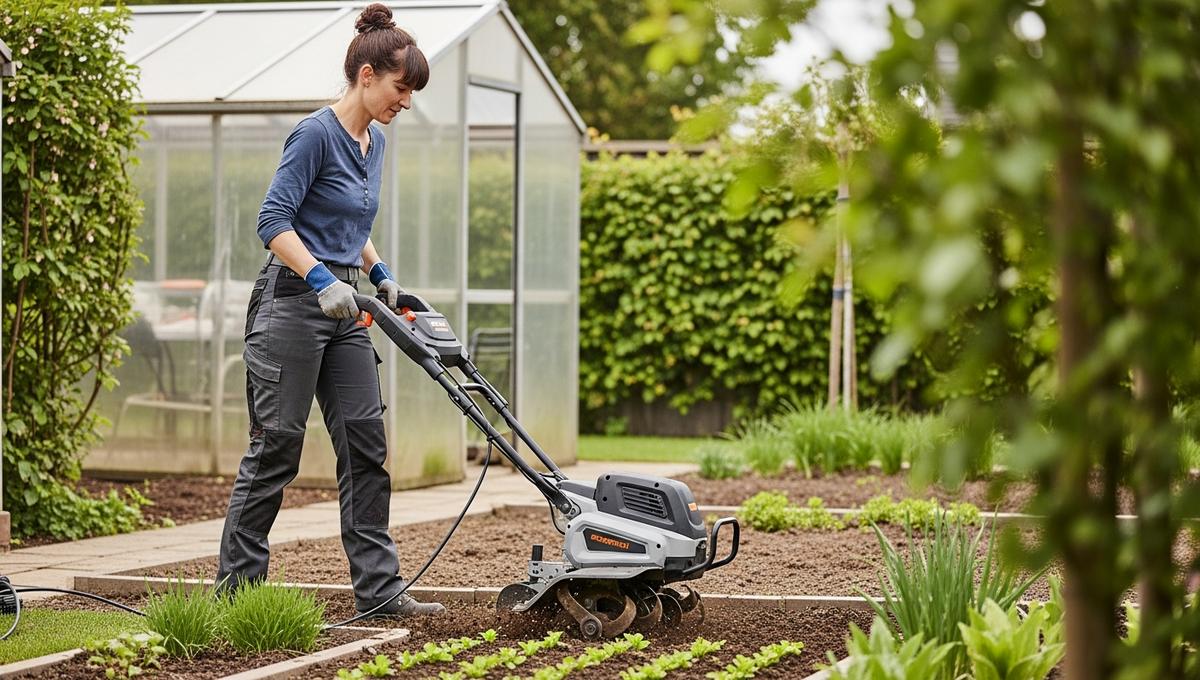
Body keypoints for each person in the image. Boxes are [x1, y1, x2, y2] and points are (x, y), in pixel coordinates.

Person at [215, 3, 443, 618]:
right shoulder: (315, 134)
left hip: (347, 307)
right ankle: (236, 597)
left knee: (365, 443)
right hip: (292, 303)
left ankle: (380, 592)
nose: (406, 102)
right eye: (401, 88)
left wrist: (380, 272)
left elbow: (350, 224)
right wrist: (319, 277)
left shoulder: (375, 142)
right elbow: (273, 222)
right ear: (367, 76)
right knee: (277, 446)